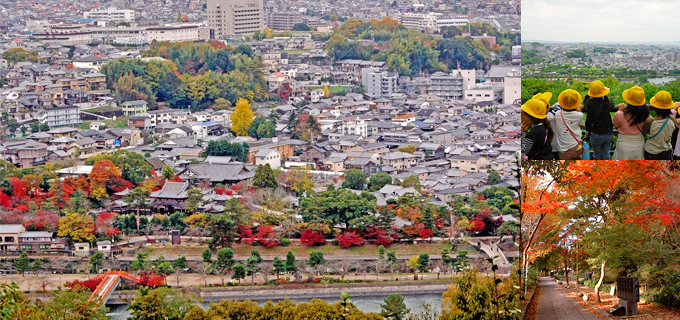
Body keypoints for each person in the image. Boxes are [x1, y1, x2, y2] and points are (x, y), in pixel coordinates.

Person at [582, 80, 618, 160]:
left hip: (595, 134)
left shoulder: (588, 104)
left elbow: (585, 103)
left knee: (596, 155)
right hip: (608, 133)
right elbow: (612, 104)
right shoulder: (607, 103)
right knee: (606, 154)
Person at [612, 86, 650, 160]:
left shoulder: (620, 114)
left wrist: (620, 110)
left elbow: (615, 124)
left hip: (623, 143)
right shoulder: (646, 114)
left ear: (628, 100)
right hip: (638, 143)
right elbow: (650, 124)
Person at [552, 89, 584, 160]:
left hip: (561, 150)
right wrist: (579, 111)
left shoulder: (558, 114)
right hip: (576, 148)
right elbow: (581, 125)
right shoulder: (579, 115)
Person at [643, 91, 676, 160]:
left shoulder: (649, 122)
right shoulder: (673, 121)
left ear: (655, 107)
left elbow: (643, 133)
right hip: (667, 151)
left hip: (651, 151)